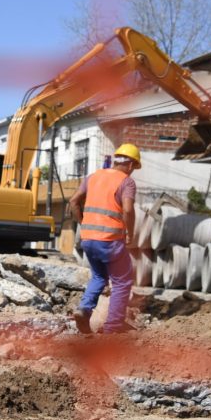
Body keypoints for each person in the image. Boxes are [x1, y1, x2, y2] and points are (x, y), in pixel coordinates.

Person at [68, 143, 140, 335]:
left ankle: (84, 309)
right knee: (122, 281)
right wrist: (130, 233)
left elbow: (73, 201)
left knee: (99, 277)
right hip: (110, 240)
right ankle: (113, 327)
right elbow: (127, 209)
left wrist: (84, 224)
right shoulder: (127, 182)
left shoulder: (93, 177)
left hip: (88, 239)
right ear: (131, 165)